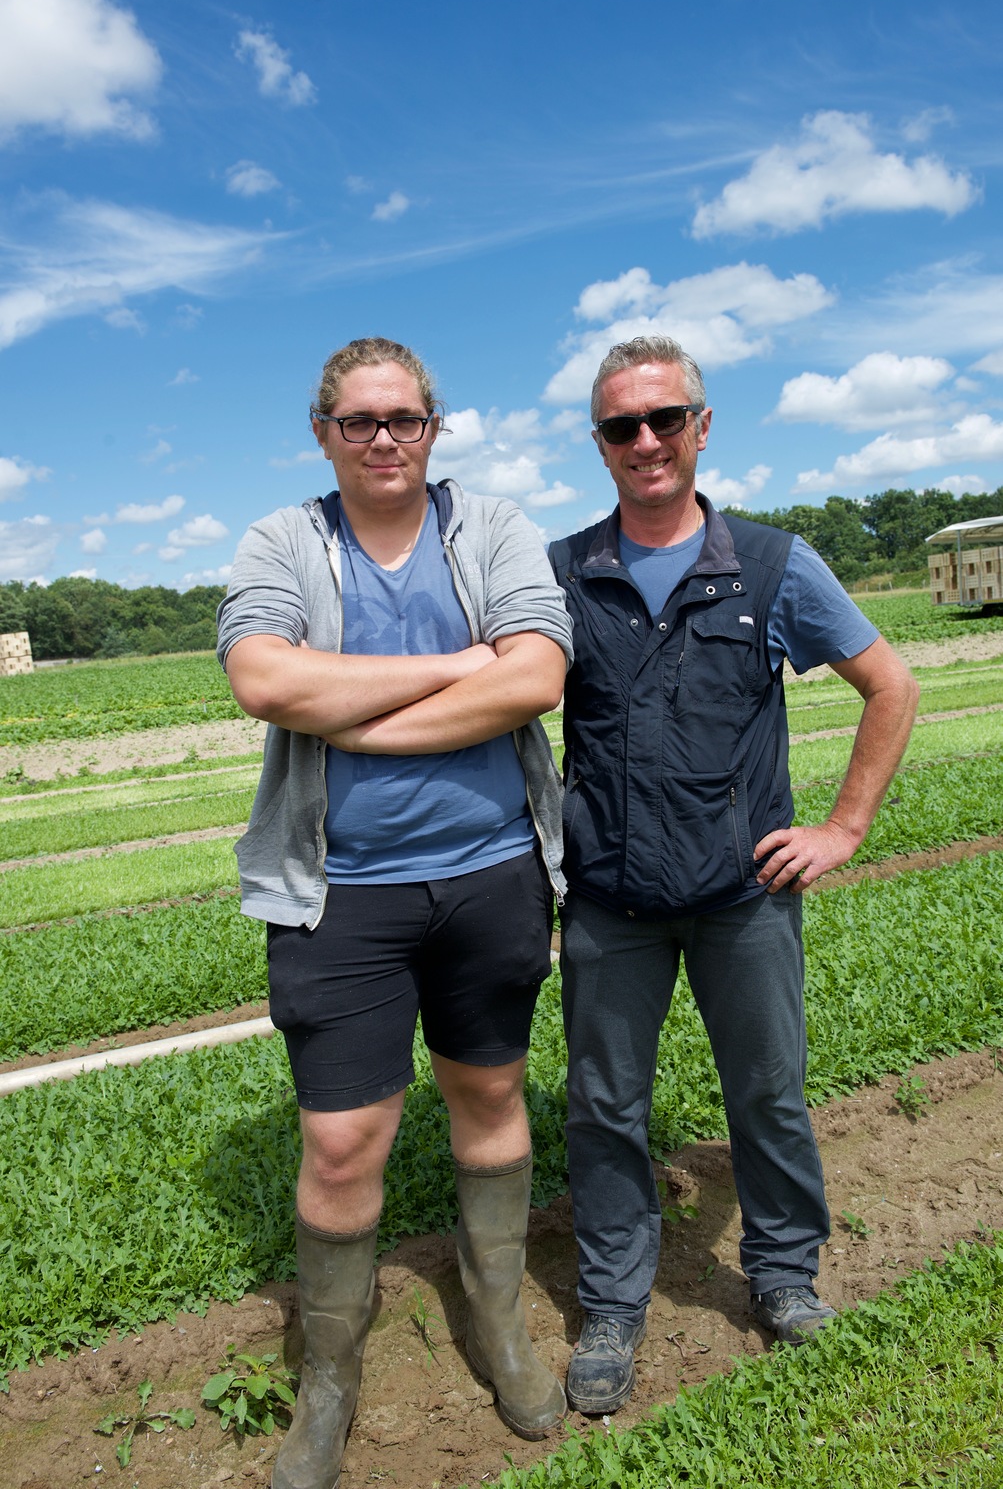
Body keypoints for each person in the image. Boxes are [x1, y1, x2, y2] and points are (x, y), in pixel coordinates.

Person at [217, 337, 572, 1489]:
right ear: (323, 431)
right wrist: (458, 665)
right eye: (360, 421)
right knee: (339, 1139)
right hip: (337, 897)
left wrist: (353, 711)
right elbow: (268, 683)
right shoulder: (284, 541)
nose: (383, 439)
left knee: (489, 1093)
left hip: (492, 872)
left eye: (404, 420)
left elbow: (533, 678)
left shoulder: (494, 528)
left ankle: (500, 1323)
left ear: (434, 427)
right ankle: (328, 1384)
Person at [548, 335, 919, 1416]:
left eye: (667, 419)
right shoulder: (564, 574)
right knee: (605, 1106)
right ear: (599, 444)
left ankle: (783, 1276)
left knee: (766, 1093)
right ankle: (614, 1305)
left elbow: (888, 687)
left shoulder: (772, 565)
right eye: (623, 427)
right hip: (612, 899)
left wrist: (843, 828)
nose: (647, 441)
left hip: (743, 896)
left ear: (703, 427)